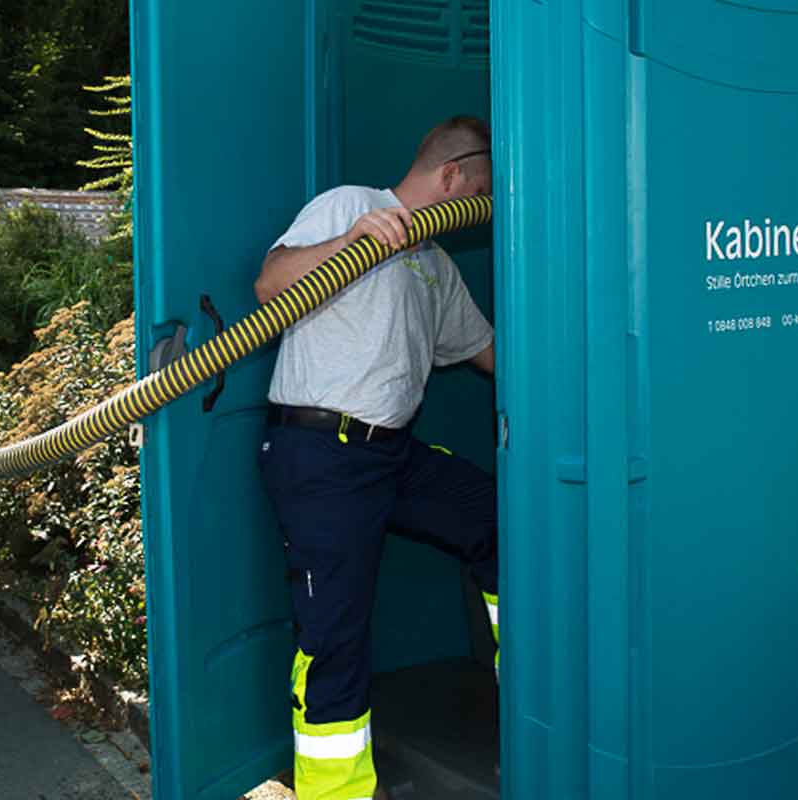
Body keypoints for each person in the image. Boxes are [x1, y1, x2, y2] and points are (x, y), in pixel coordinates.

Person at [254, 116, 499, 800]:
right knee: (335, 632)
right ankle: (336, 793)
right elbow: (270, 285)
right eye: (481, 188)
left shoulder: (437, 266)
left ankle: (532, 694)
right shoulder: (350, 206)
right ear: (454, 177)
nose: (483, 203)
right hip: (320, 455)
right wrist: (350, 243)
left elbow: (490, 355)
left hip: (391, 455)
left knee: (498, 521)